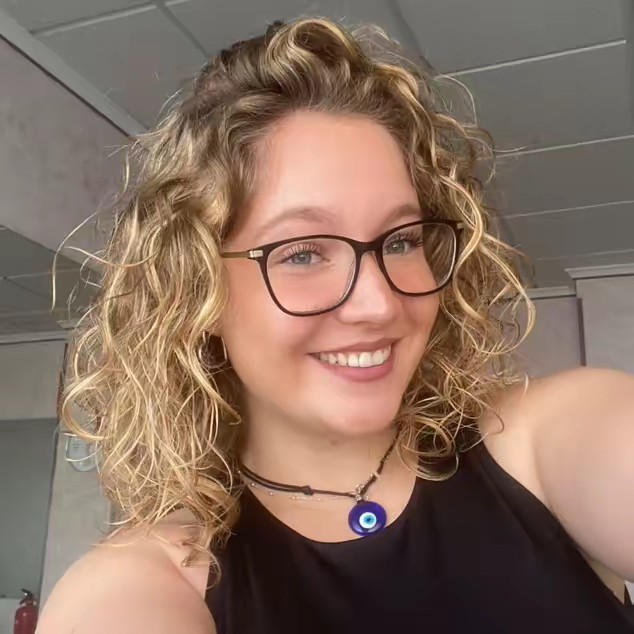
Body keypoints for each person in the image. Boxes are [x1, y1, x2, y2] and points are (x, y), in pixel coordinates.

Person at [38, 17, 634, 634]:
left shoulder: (544, 442)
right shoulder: (146, 584)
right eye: (301, 253)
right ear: (197, 291)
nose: (379, 303)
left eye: (401, 240)